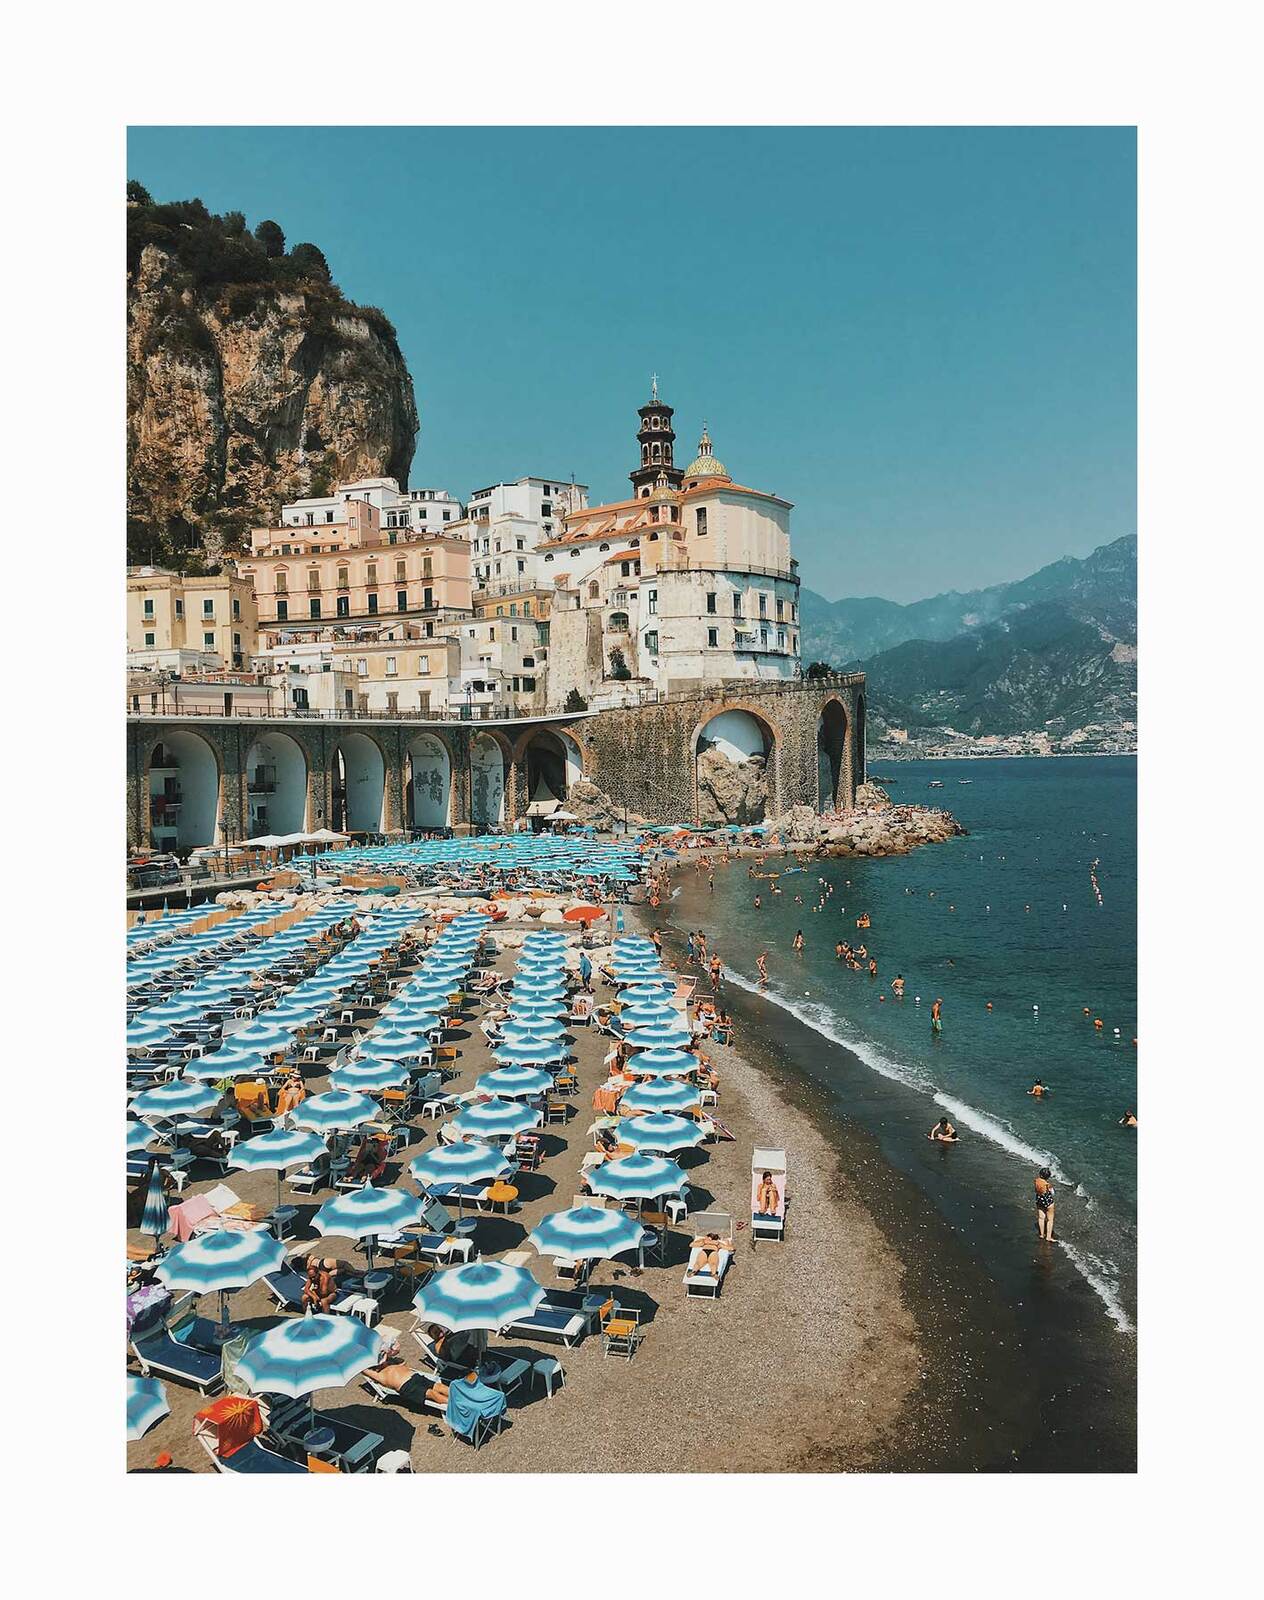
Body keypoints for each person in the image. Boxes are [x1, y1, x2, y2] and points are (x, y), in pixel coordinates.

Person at [1034, 1167, 1056, 1239]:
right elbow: (1053, 1193)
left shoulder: (1036, 1181)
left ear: (1040, 1174)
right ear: (1048, 1177)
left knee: (1041, 1218)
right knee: (1050, 1220)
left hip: (1039, 1201)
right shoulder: (1047, 1184)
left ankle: (1041, 1234)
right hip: (1048, 1202)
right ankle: (1048, 1237)